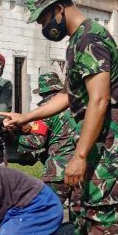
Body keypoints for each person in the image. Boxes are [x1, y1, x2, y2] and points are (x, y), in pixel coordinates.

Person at [0, 0, 118, 235]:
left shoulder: (90, 39)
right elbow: (67, 96)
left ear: (59, 9)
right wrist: (26, 116)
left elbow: (100, 99)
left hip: (108, 132)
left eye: (44, 19)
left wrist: (79, 155)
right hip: (98, 129)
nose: (44, 27)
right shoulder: (78, 42)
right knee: (84, 205)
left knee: (101, 207)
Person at [15, 72, 77, 207]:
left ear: (43, 93)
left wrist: (15, 138)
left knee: (45, 211)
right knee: (77, 216)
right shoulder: (75, 106)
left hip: (58, 169)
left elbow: (36, 141)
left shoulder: (46, 110)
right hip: (79, 168)